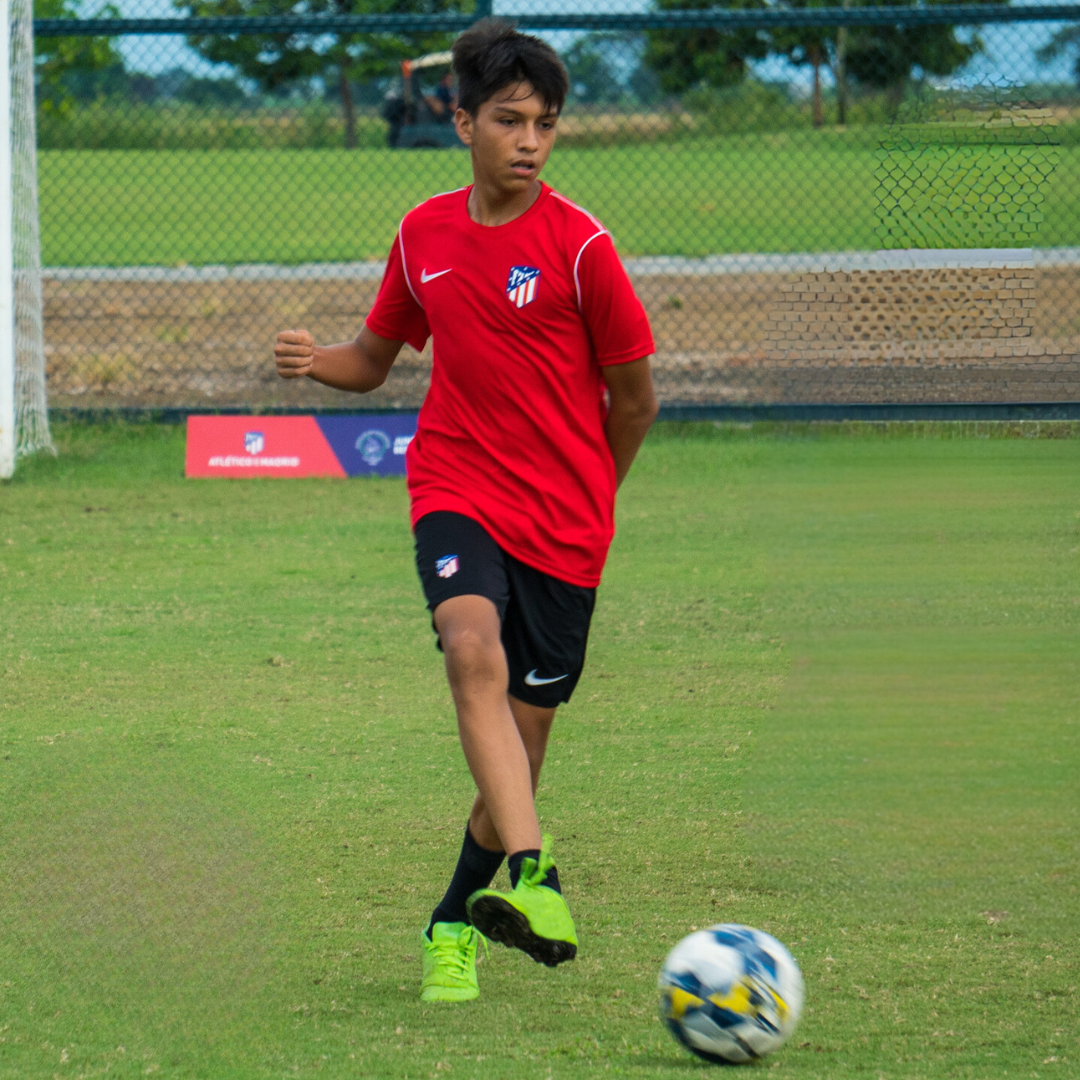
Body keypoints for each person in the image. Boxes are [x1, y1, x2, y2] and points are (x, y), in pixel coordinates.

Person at [274, 19, 657, 1003]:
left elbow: (636, 399)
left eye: (547, 124)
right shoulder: (423, 235)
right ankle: (537, 878)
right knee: (469, 649)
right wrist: (316, 362)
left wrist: (592, 496)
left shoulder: (583, 251)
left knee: (515, 768)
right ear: (460, 122)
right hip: (456, 486)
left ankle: (452, 921)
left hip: (568, 528)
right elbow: (375, 357)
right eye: (510, 120)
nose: (530, 141)